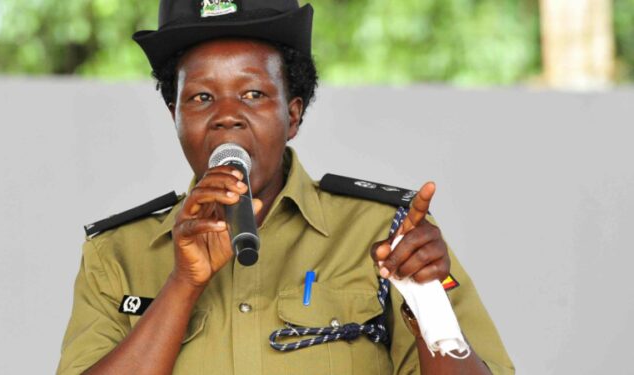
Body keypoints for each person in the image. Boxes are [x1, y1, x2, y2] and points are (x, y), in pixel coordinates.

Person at [57, 1, 514, 374]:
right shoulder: (115, 253)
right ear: (174, 116)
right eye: (201, 97)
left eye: (253, 94)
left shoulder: (387, 231)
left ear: (292, 116)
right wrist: (183, 284)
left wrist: (427, 303)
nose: (227, 114)